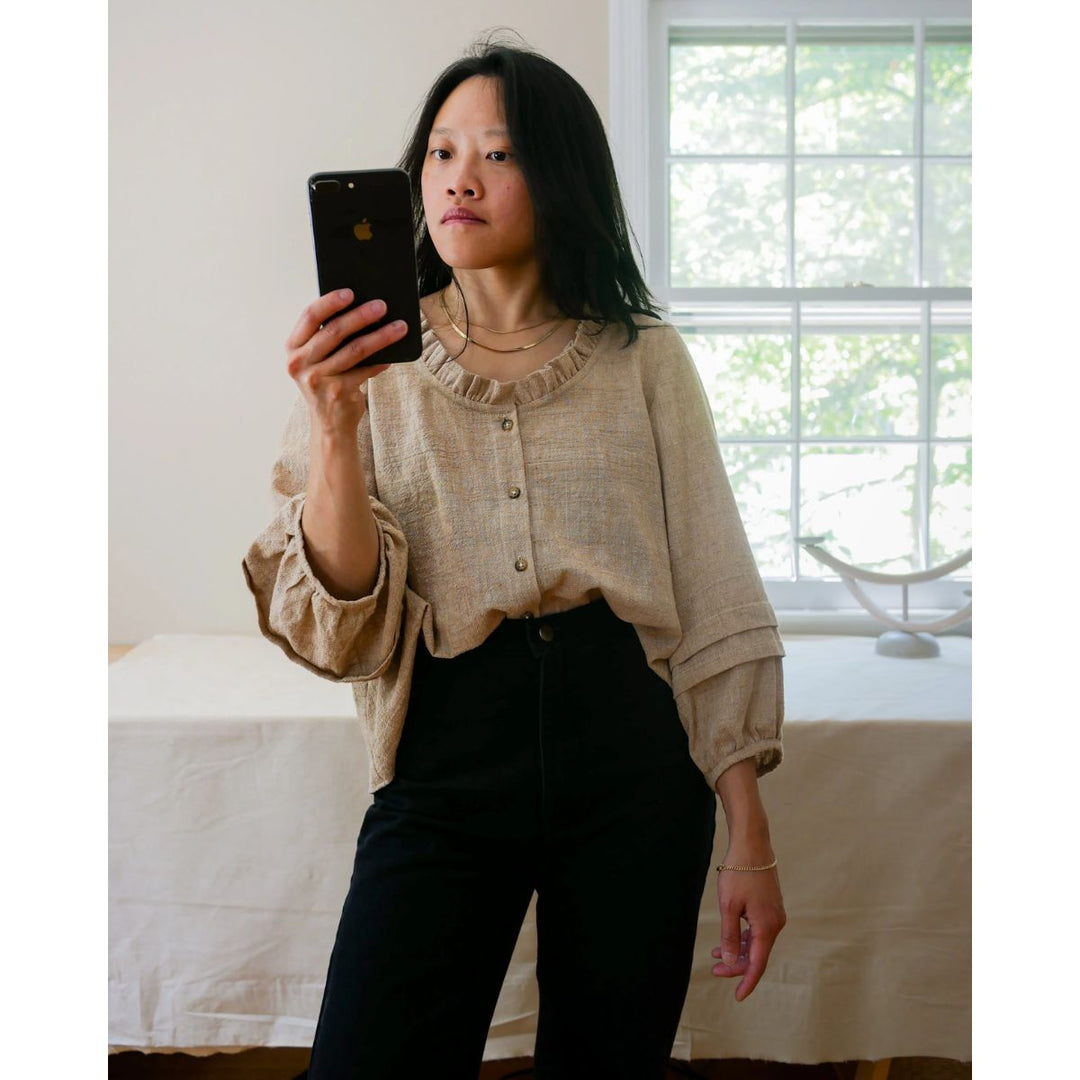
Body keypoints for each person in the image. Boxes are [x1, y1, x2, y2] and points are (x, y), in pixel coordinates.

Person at [243, 37, 787, 1080]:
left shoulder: (645, 358)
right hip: (448, 751)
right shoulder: (365, 366)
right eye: (441, 153)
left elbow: (716, 587)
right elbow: (350, 619)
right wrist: (336, 431)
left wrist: (750, 837)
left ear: (562, 175)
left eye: (496, 153)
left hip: (631, 754)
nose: (459, 178)